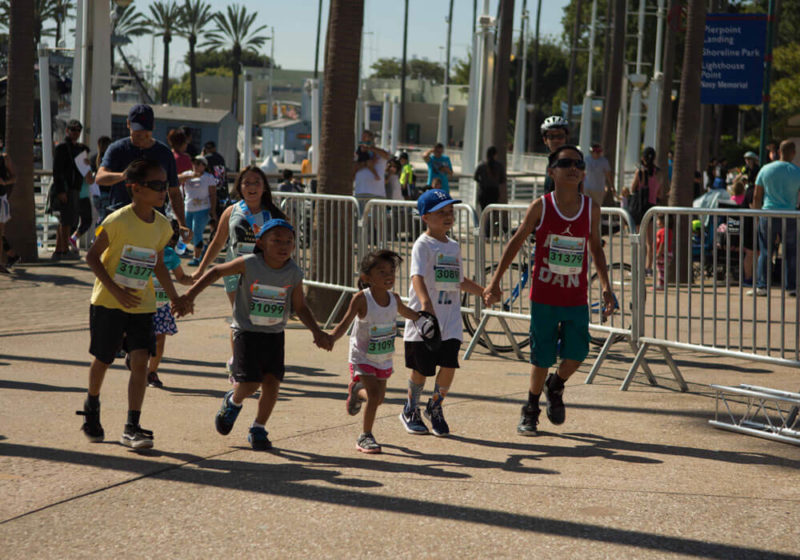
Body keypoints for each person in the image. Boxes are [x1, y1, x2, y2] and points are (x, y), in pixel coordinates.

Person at [483, 145, 616, 436]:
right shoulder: (541, 206)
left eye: (579, 164)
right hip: (544, 296)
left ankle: (555, 385)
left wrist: (606, 286)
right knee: (541, 357)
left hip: (575, 296)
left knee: (578, 352)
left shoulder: (591, 208)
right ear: (551, 171)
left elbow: (595, 246)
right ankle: (530, 409)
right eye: (566, 163)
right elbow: (516, 242)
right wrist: (494, 282)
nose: (573, 168)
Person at [181, 219, 331, 451]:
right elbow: (216, 271)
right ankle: (233, 401)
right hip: (246, 332)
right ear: (261, 243)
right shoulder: (250, 263)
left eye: (289, 241)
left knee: (272, 383)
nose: (283, 245)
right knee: (251, 383)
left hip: (274, 334)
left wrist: (317, 332)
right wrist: (189, 295)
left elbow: (299, 306)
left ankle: (258, 428)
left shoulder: (293, 272)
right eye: (276, 240)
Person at [77, 158, 191, 449]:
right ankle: (92, 408)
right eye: (156, 186)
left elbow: (158, 264)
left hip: (142, 304)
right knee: (102, 359)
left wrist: (176, 297)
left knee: (141, 361)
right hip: (108, 303)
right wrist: (115, 290)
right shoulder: (117, 221)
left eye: (165, 185)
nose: (163, 191)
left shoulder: (163, 226)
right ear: (136, 189)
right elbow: (92, 257)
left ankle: (132, 426)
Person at [399, 189, 485, 437]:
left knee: (449, 365)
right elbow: (416, 277)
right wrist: (425, 304)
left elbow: (459, 280)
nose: (448, 216)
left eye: (451, 212)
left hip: (451, 320)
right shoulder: (422, 245)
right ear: (425, 217)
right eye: (441, 213)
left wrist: (483, 292)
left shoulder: (454, 246)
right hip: (425, 322)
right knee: (421, 369)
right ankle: (410, 409)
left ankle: (435, 406)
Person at [192, 166, 286, 375]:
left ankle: (254, 361)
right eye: (247, 183)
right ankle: (238, 365)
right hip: (235, 273)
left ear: (264, 188)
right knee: (239, 317)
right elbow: (217, 242)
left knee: (260, 319)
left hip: (265, 274)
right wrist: (201, 269)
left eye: (256, 183)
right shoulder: (232, 211)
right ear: (239, 187)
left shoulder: (273, 214)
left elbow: (286, 243)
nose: (251, 187)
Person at [329, 250, 424, 453]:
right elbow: (345, 323)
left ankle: (355, 391)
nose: (388, 275)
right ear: (367, 278)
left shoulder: (394, 299)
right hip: (362, 356)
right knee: (373, 396)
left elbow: (407, 312)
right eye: (381, 272)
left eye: (391, 271)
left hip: (383, 357)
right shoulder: (362, 299)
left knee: (379, 398)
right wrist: (330, 338)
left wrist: (423, 317)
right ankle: (365, 436)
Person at [96, 104, 186, 238]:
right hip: (121, 218)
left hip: (153, 222)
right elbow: (100, 177)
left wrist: (182, 224)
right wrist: (122, 176)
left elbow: (174, 192)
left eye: (146, 134)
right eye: (137, 134)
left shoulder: (164, 153)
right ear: (128, 124)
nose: (142, 138)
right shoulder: (117, 149)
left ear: (153, 127)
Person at [145, 221, 193, 388]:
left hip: (162, 306)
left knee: (160, 340)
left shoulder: (170, 255)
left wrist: (198, 278)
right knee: (141, 341)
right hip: (142, 305)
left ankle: (151, 373)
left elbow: (181, 277)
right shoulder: (144, 250)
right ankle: (137, 363)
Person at [751, 140, 800, 297]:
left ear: (779, 151)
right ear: (793, 153)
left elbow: (756, 195)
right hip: (790, 215)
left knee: (766, 250)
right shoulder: (797, 171)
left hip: (768, 213)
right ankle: (791, 286)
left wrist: (757, 215)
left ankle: (762, 285)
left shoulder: (765, 169)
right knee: (791, 252)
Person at [51, 119, 85, 259]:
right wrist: (60, 191)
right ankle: (63, 250)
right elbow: (57, 171)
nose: (76, 132)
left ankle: (60, 250)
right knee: (66, 222)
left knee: (67, 221)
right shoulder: (62, 148)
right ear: (67, 131)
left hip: (74, 188)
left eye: (78, 130)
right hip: (65, 188)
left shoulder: (79, 148)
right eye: (73, 130)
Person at [629, 146, 663, 273]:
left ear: (642, 157)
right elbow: (660, 192)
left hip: (639, 208)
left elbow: (633, 188)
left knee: (639, 239)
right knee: (650, 241)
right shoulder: (658, 173)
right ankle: (649, 267)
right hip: (652, 207)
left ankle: (637, 266)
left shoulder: (640, 172)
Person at [180, 155, 217, 266]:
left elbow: (213, 194)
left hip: (203, 208)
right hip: (188, 208)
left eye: (199, 163)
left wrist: (213, 210)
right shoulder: (187, 174)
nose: (195, 165)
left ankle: (197, 258)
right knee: (188, 233)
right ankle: (201, 247)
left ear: (204, 166)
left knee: (197, 232)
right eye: (194, 163)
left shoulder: (208, 177)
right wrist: (191, 176)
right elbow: (176, 179)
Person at [353, 130, 390, 211]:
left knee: (377, 221)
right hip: (361, 193)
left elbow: (387, 156)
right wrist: (366, 164)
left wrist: (371, 148)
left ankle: (375, 174)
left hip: (377, 194)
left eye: (367, 138)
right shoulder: (358, 153)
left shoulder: (380, 152)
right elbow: (353, 168)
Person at [69, 144, 95, 251]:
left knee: (72, 221)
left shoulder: (71, 162)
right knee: (87, 221)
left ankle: (69, 243)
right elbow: (90, 180)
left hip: (72, 195)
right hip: (83, 196)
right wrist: (92, 171)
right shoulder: (83, 163)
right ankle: (73, 238)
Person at [0, 137, 19, 273]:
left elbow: (14, 177)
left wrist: (5, 183)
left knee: (0, 232)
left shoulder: (4, 158)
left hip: (0, 198)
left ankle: (2, 261)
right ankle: (11, 255)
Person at [540, 116, 570, 194]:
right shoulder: (552, 161)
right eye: (551, 137)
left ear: (566, 138)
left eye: (560, 136)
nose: (556, 140)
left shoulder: (571, 161)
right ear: (545, 140)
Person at [474, 146, 507, 213]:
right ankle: (489, 223)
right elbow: (503, 179)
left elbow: (475, 177)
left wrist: (481, 182)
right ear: (495, 155)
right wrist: (496, 182)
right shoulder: (499, 166)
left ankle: (483, 223)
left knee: (484, 213)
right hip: (494, 192)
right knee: (492, 213)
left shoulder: (481, 165)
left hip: (483, 192)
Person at [583, 143, 614, 208]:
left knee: (596, 207)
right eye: (594, 152)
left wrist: (612, 186)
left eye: (598, 152)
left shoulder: (604, 161)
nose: (596, 154)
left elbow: (608, 174)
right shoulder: (586, 160)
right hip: (587, 188)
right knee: (587, 206)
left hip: (599, 189)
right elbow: (582, 173)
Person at [90, 136, 113, 220]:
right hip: (107, 193)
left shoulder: (93, 158)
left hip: (96, 193)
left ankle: (98, 231)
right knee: (107, 220)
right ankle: (99, 232)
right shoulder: (110, 159)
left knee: (101, 217)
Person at [655, 215, 673, 290]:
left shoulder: (664, 231)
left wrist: (659, 253)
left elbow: (663, 242)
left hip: (663, 254)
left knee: (661, 269)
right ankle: (661, 284)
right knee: (662, 269)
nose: (656, 222)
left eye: (658, 220)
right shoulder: (667, 231)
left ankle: (661, 284)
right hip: (666, 253)